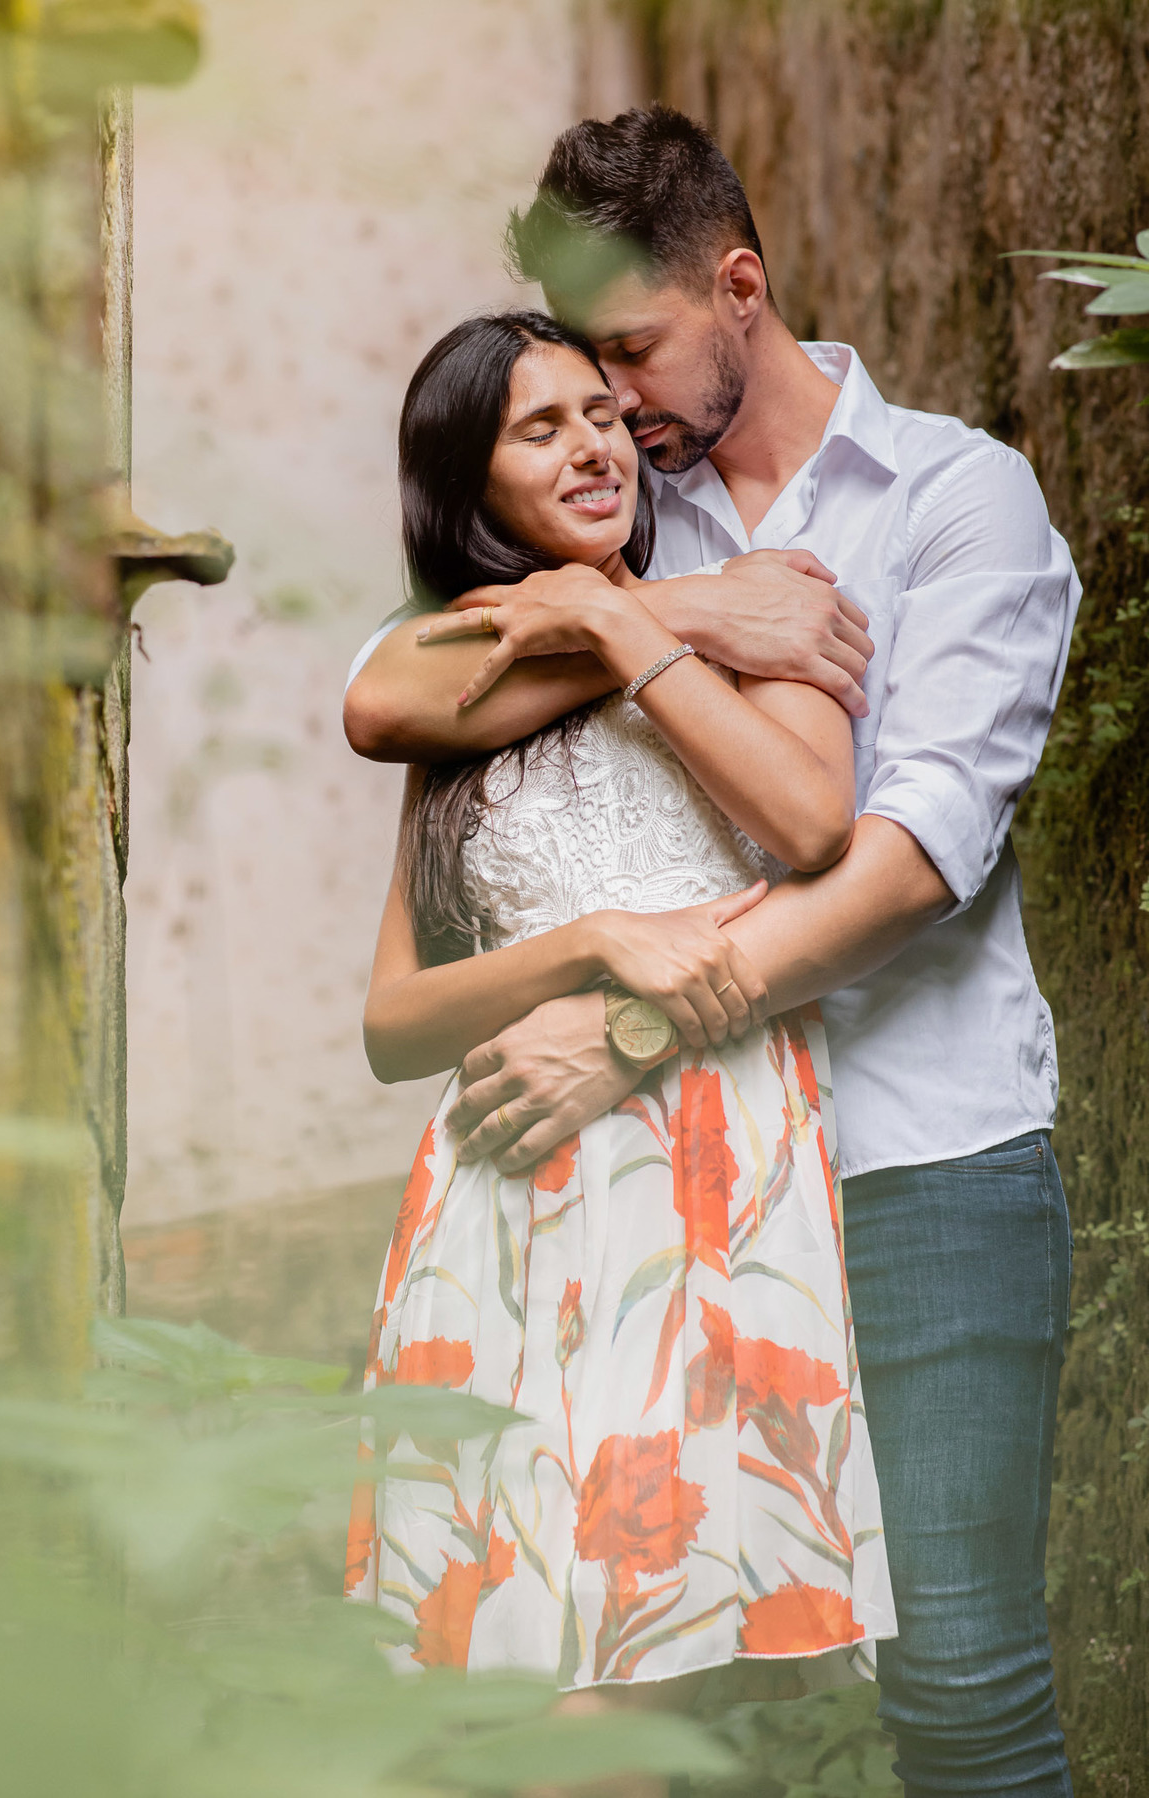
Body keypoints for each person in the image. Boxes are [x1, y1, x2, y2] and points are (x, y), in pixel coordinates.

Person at [344, 107, 1081, 1798]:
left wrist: (630, 1025)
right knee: (637, 1691)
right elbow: (394, 692)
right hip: (662, 1203)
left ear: (737, 286)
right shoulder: (635, 522)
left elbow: (900, 862)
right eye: (582, 380)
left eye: (631, 355)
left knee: (958, 1684)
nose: (614, 406)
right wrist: (663, 608)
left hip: (914, 1159)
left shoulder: (958, 500)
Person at [344, 309, 897, 1741]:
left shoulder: (767, 603)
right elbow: (396, 1021)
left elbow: (810, 820)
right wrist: (584, 945)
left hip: (697, 1182)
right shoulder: (472, 699)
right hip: (498, 1201)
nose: (593, 442)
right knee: (522, 1685)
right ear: (475, 487)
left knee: (623, 1689)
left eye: (601, 411)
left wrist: (626, 613)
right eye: (541, 427)